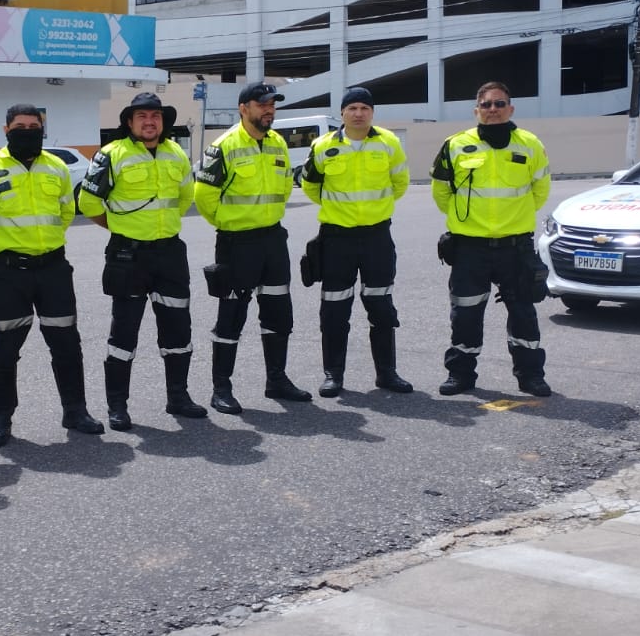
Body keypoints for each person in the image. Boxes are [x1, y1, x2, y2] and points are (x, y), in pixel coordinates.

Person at [0, 104, 105, 447]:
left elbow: (65, 211)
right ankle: (0, 418)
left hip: (53, 270)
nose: (27, 130)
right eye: (20, 125)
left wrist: (44, 243)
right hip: (9, 272)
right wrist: (3, 245)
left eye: (34, 125)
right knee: (3, 351)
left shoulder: (57, 167)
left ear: (42, 129)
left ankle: (75, 410)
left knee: (67, 345)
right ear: (6, 129)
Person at [77, 92, 205, 430]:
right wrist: (119, 227)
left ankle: (178, 396)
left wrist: (159, 227)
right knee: (124, 333)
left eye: (156, 116)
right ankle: (117, 406)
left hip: (169, 254)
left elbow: (184, 196)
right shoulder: (111, 155)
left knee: (178, 330)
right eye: (142, 116)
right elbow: (89, 203)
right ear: (129, 122)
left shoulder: (176, 153)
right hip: (128, 255)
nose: (150, 122)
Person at [193, 82, 312, 413]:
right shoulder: (224, 146)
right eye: (262, 104)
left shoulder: (277, 144)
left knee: (278, 314)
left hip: (273, 240)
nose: (269, 109)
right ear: (243, 108)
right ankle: (221, 389)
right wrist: (231, 224)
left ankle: (277, 379)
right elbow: (203, 197)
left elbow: (285, 187)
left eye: (272, 104)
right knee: (232, 315)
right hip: (237, 243)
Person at [430, 82, 552, 397]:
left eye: (499, 104)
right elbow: (442, 193)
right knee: (465, 314)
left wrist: (512, 220)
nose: (493, 110)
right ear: (476, 111)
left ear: (510, 108)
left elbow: (540, 191)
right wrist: (466, 222)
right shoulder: (455, 145)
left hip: (515, 246)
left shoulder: (529, 144)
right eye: (486, 105)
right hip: (470, 247)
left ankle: (530, 375)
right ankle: (461, 375)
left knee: (524, 312)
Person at [299, 87, 414, 398]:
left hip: (377, 236)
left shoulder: (388, 143)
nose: (359, 113)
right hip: (338, 239)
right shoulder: (323, 146)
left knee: (381, 305)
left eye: (365, 107)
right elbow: (309, 184)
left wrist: (375, 210)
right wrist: (337, 208)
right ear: (342, 114)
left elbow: (399, 182)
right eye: (353, 108)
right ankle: (333, 375)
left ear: (372, 113)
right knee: (335, 309)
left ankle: (387, 374)